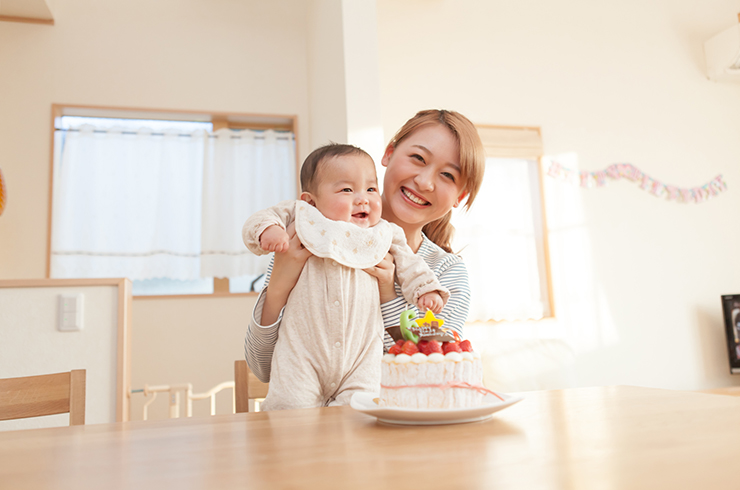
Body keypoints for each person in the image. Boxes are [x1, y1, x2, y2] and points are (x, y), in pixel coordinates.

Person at [245, 109, 486, 393]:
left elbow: (429, 378)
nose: (425, 182)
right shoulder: (314, 238)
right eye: (418, 158)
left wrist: (388, 294)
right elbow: (262, 368)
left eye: (447, 175)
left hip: (392, 431)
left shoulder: (446, 274)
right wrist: (278, 287)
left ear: (460, 196)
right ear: (389, 153)